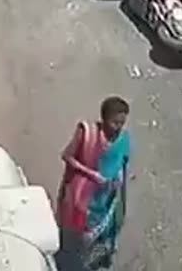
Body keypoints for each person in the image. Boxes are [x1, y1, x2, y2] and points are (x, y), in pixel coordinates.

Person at [56, 97, 132, 270]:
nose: (119, 127)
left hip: (107, 199)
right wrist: (92, 175)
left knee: (103, 235)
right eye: (115, 123)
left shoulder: (124, 139)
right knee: (76, 239)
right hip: (84, 199)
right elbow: (67, 156)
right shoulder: (87, 133)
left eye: (122, 123)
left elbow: (123, 166)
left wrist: (121, 197)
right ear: (104, 120)